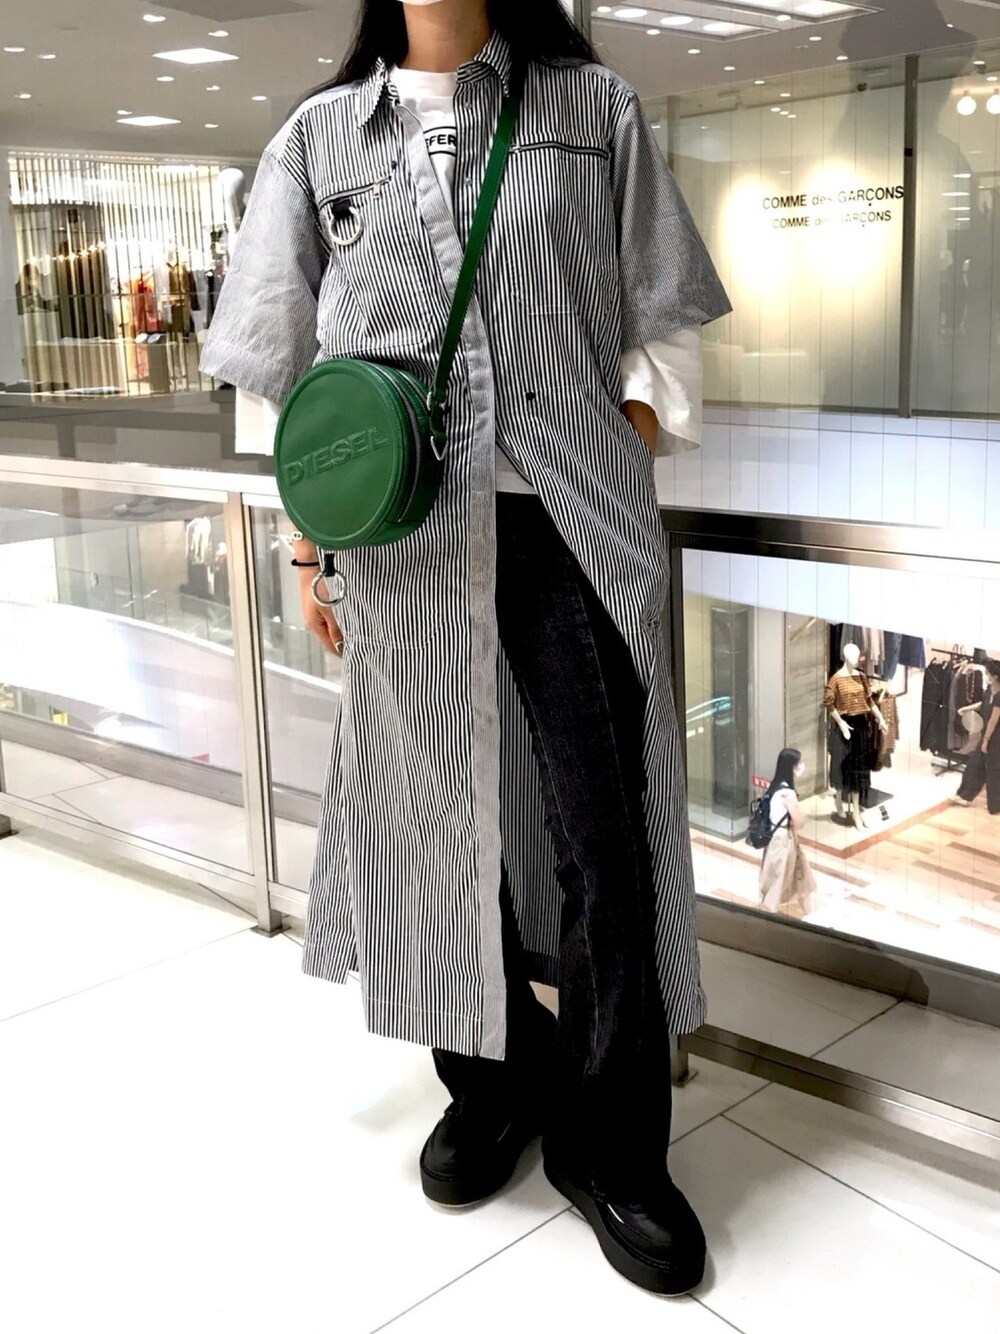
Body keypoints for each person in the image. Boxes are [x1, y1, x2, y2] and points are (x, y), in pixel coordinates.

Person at [200, 0, 730, 1296]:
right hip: (402, 537)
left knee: (603, 832)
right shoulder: (319, 139)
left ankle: (613, 1139)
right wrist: (312, 547)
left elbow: (664, 319)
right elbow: (279, 367)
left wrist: (610, 451)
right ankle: (494, 1080)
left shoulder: (590, 112)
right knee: (431, 821)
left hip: (566, 524)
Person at [759, 749, 818, 917]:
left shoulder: (775, 787)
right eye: (798, 764)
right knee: (778, 880)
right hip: (784, 840)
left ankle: (809, 913)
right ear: (791, 767)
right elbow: (798, 821)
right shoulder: (788, 793)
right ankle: (769, 916)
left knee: (799, 874)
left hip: (777, 838)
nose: (800, 767)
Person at [954, 659, 1000, 813]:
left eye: (988, 673)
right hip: (987, 734)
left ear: (995, 676)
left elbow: (994, 720)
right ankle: (965, 796)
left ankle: (995, 805)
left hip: (995, 738)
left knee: (993, 771)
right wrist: (967, 709)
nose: (986, 675)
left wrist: (986, 741)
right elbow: (983, 703)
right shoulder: (990, 690)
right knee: (975, 764)